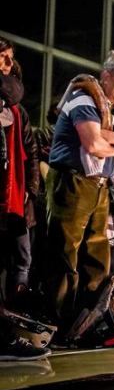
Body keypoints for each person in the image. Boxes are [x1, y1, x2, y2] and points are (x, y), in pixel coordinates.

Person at [45, 50, 114, 330]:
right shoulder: (84, 96)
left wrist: (110, 136)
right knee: (66, 253)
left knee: (97, 255)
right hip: (73, 180)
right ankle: (59, 321)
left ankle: (88, 321)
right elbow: (92, 145)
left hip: (100, 183)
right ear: (106, 76)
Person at [1, 57, 39, 299]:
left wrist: (30, 190)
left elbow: (31, 153)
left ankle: (15, 313)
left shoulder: (18, 112)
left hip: (16, 196)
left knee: (22, 257)